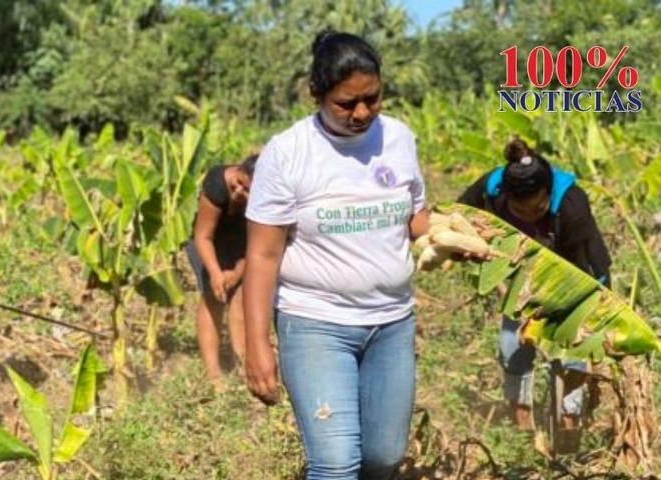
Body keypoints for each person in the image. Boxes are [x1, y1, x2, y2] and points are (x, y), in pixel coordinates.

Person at [243, 31, 428, 479]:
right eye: (347, 103)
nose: (362, 112)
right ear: (316, 93)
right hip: (315, 323)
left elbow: (416, 220)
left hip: (391, 322)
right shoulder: (288, 154)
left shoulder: (399, 139)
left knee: (383, 458)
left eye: (372, 98)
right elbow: (263, 256)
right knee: (336, 463)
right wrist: (256, 345)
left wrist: (470, 236)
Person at [458, 137, 611, 438]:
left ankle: (570, 425)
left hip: (574, 276)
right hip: (519, 276)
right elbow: (461, 211)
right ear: (507, 197)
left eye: (538, 208)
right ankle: (522, 429)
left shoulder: (571, 205)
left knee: (571, 352)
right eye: (521, 210)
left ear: (549, 192)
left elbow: (587, 265)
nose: (530, 215)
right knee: (513, 347)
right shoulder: (493, 188)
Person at [185, 154, 257, 385]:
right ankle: (214, 376)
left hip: (240, 240)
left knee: (239, 296)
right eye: (238, 183)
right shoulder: (217, 184)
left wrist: (237, 273)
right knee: (213, 297)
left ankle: (243, 367)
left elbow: (257, 244)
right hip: (206, 239)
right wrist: (216, 273)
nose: (239, 191)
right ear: (237, 171)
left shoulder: (267, 200)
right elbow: (203, 236)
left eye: (247, 191)